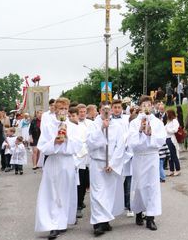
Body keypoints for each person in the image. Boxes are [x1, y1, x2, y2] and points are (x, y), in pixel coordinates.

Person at [35, 97, 81, 240]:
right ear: (55, 110)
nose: (63, 111)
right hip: (53, 161)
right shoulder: (49, 125)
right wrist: (54, 141)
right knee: (52, 193)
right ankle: (52, 224)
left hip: (66, 162)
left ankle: (62, 222)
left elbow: (78, 146)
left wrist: (67, 138)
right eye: (61, 109)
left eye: (66, 109)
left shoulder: (73, 126)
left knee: (64, 193)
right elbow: (42, 145)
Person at [87, 102, 126, 236]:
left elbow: (120, 146)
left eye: (108, 110)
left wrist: (113, 163)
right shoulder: (93, 125)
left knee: (109, 194)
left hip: (110, 165)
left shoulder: (117, 126)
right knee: (97, 193)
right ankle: (98, 223)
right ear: (99, 110)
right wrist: (102, 129)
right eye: (104, 109)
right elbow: (90, 143)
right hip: (97, 163)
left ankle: (105, 221)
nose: (106, 112)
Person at [128, 96, 167, 230]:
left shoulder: (157, 122)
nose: (146, 107)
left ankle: (151, 217)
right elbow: (131, 142)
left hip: (151, 157)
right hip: (139, 157)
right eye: (144, 104)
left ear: (152, 106)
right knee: (139, 186)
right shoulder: (133, 123)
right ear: (140, 106)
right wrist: (140, 130)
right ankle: (139, 212)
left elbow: (162, 139)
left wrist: (151, 135)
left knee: (152, 186)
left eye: (149, 104)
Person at [164, 109, 181, 176]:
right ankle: (172, 170)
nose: (166, 115)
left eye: (167, 113)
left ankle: (178, 169)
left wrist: (168, 130)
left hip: (171, 139)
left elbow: (175, 130)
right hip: (167, 139)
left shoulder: (174, 121)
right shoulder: (168, 121)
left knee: (174, 155)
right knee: (170, 156)